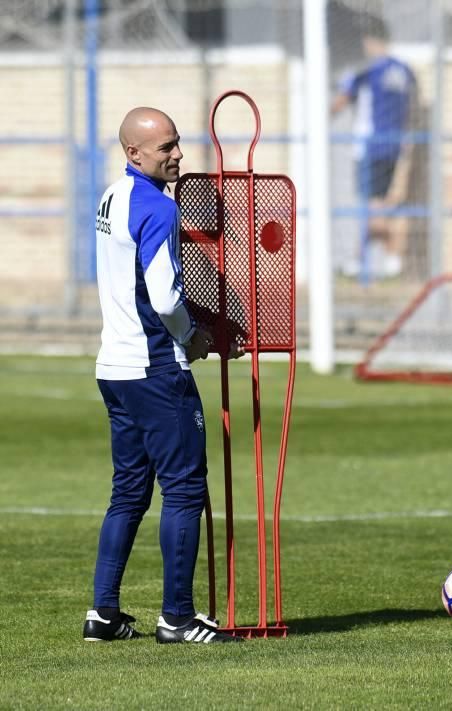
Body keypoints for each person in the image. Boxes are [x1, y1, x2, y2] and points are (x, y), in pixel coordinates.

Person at [83, 107, 241, 644]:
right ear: (134, 153)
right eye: (166, 147)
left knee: (128, 492)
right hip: (154, 368)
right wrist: (193, 338)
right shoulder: (156, 207)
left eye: (177, 143)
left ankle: (102, 615)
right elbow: (167, 295)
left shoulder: (110, 196)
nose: (178, 154)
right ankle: (177, 618)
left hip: (114, 366)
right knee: (184, 489)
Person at [332, 17, 416, 279]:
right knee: (377, 205)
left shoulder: (367, 71)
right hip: (393, 146)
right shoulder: (403, 70)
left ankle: (386, 260)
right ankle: (366, 261)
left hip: (369, 146)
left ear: (370, 41)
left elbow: (341, 101)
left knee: (374, 208)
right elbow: (411, 106)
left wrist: (320, 116)